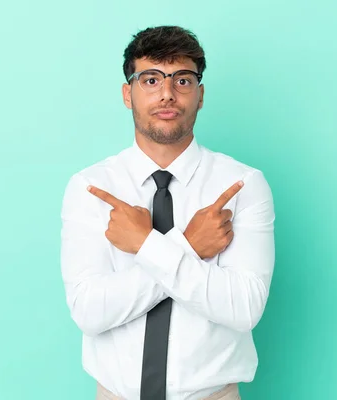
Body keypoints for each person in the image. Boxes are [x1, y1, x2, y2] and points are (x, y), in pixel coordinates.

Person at [60, 25, 276, 400]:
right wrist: (188, 246)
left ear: (200, 94)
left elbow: (244, 308)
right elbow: (89, 312)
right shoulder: (90, 187)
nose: (166, 94)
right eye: (151, 79)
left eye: (182, 80)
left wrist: (144, 244)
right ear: (128, 93)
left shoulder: (243, 184)